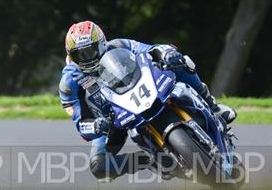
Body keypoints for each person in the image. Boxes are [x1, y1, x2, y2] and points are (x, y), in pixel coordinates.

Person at [58, 20, 236, 180]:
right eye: (79, 54)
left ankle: (213, 106)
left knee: (181, 62)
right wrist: (96, 126)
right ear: (70, 56)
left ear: (102, 43)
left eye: (90, 51)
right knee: (99, 166)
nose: (86, 58)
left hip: (139, 89)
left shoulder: (119, 45)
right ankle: (149, 161)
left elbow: (150, 49)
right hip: (110, 118)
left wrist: (166, 53)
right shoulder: (69, 83)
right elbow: (80, 123)